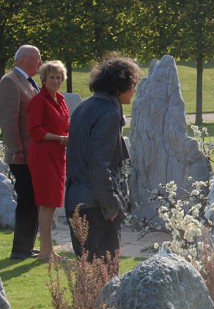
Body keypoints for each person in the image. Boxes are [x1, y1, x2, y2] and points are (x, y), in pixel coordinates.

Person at [65, 56, 140, 261]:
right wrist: (111, 205)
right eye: (132, 84)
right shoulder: (108, 111)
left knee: (88, 277)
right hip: (94, 205)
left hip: (76, 199)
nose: (134, 89)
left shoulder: (85, 105)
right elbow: (100, 165)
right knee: (104, 275)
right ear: (120, 84)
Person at [0, 45, 43, 260]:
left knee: (33, 199)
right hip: (22, 155)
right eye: (37, 58)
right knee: (27, 199)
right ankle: (20, 250)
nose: (40, 62)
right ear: (25, 58)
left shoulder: (28, 82)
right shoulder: (9, 81)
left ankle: (26, 246)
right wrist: (16, 149)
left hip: (33, 154)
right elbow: (8, 121)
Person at [27, 60, 69, 262]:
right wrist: (59, 138)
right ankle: (45, 251)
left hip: (57, 155)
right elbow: (35, 130)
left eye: (58, 76)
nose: (55, 80)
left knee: (51, 203)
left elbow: (65, 125)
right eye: (51, 77)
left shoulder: (60, 99)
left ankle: (47, 250)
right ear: (43, 79)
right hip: (43, 155)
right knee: (46, 203)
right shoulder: (38, 100)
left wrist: (66, 136)